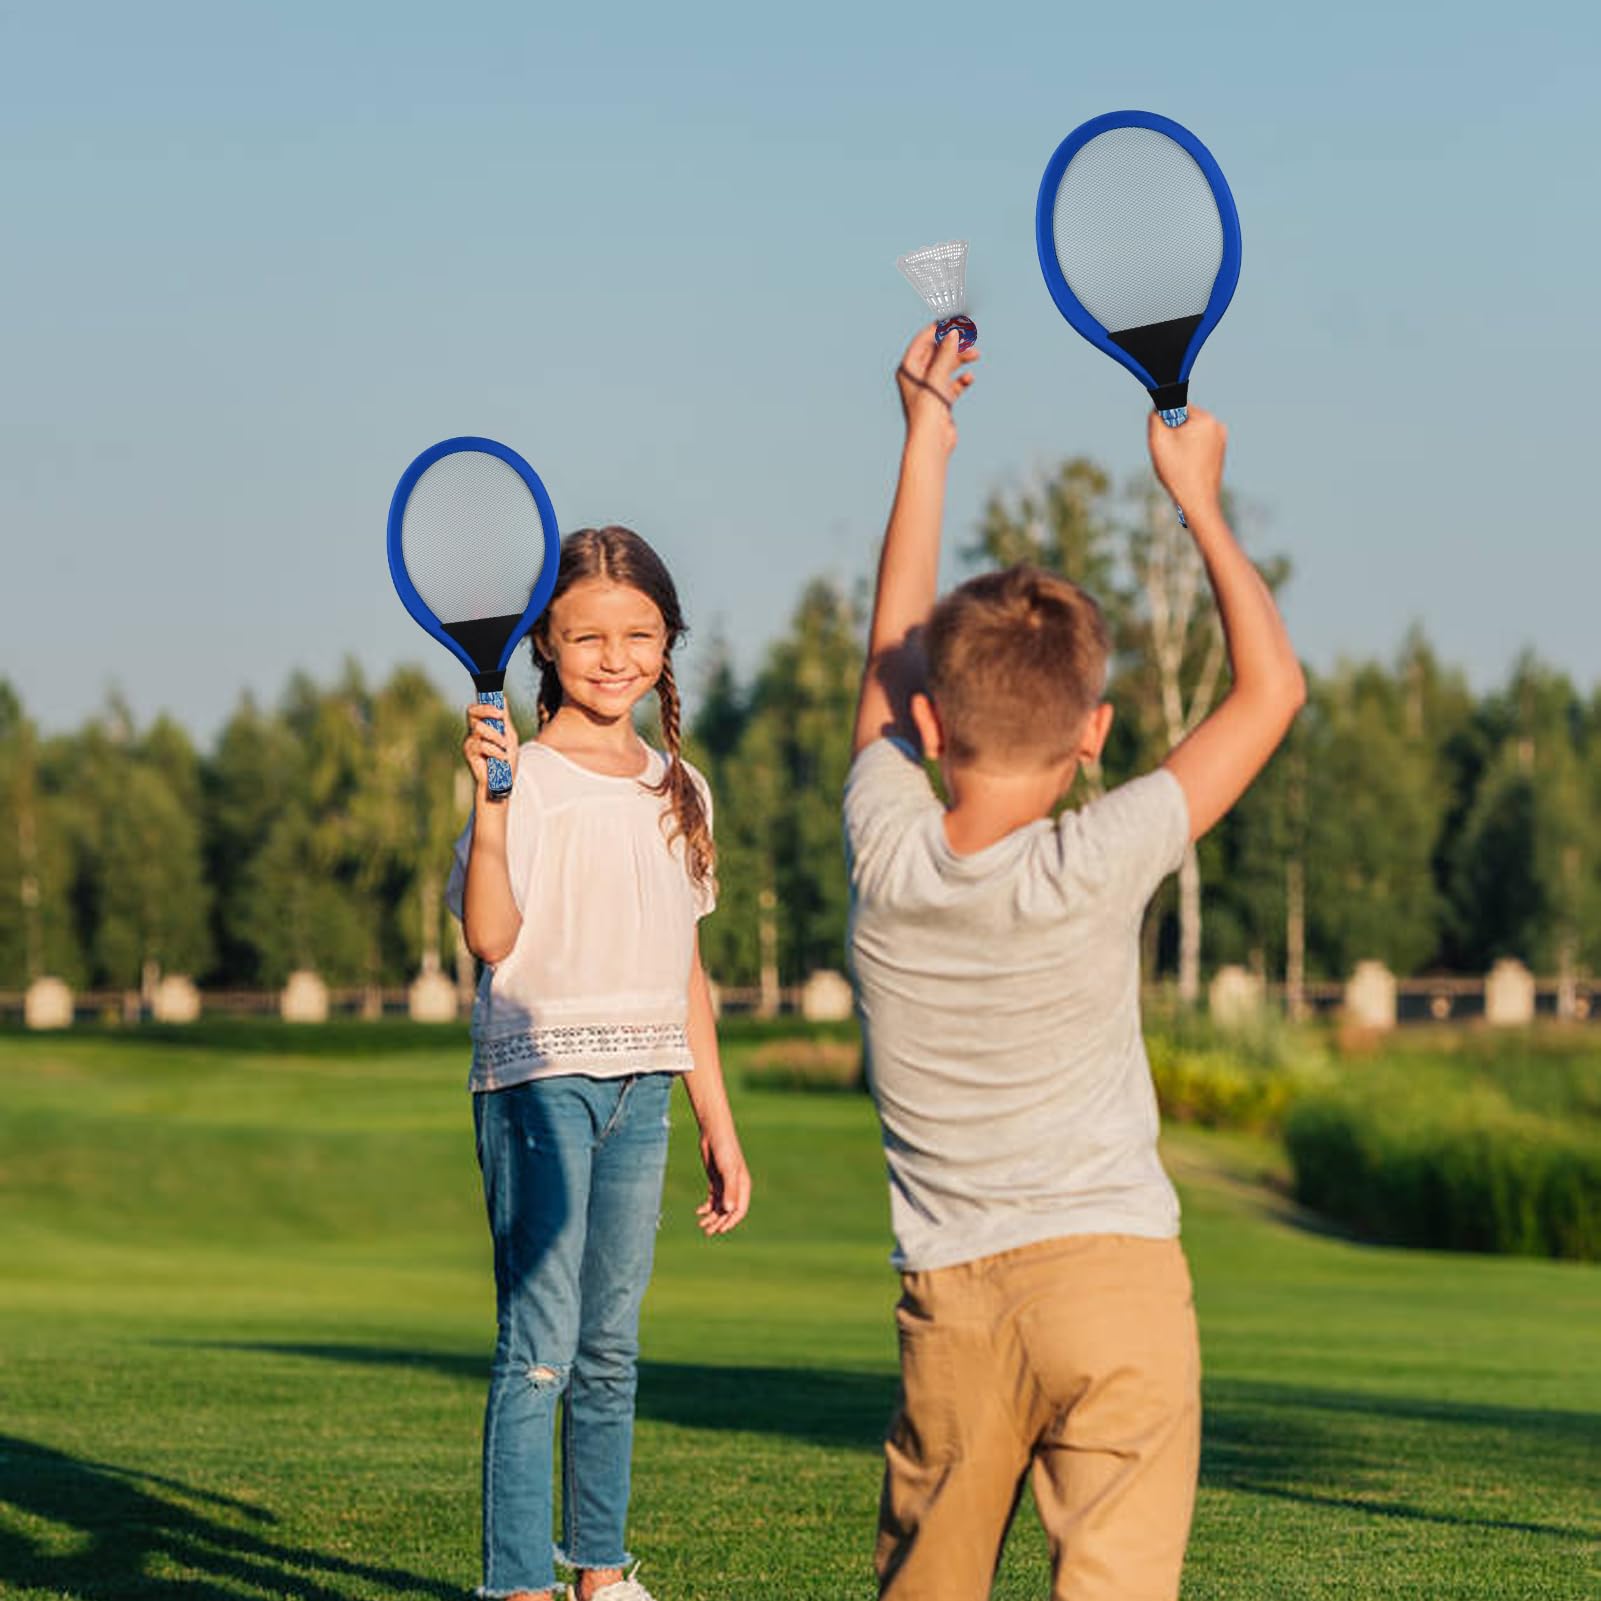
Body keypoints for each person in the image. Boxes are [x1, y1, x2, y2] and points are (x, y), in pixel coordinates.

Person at [844, 327, 1305, 1600]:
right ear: (1093, 733)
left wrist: (924, 437)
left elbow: (888, 655)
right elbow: (1269, 690)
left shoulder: (885, 845)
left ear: (929, 722)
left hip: (951, 1306)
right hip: (1116, 1285)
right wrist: (1196, 498)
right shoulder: (1097, 856)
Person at [447, 525, 752, 1601]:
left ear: (668, 641)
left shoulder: (682, 786)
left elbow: (684, 971)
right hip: (538, 1084)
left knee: (610, 1347)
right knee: (540, 1344)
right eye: (587, 636)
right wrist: (490, 807)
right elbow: (490, 937)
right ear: (544, 643)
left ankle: (600, 1575)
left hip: (645, 1089)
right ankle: (518, 1584)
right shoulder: (522, 779)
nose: (614, 656)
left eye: (639, 633)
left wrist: (718, 1122)